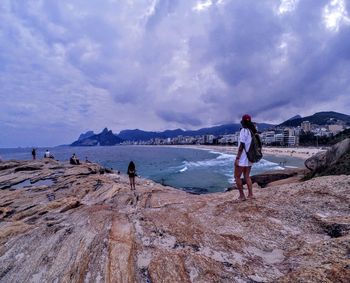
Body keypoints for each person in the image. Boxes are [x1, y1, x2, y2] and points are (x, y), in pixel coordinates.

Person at [234, 114, 257, 201]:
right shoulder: (252, 131)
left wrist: (237, 158)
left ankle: (242, 196)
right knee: (247, 176)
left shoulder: (243, 131)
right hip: (250, 157)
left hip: (243, 157)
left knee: (237, 177)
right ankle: (250, 195)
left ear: (242, 122)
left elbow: (241, 146)